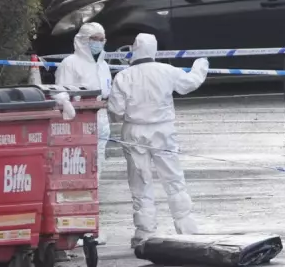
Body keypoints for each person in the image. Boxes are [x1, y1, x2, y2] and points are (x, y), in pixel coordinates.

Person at [107, 33, 209, 248]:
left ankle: (144, 232)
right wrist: (201, 64)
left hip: (134, 131)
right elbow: (191, 82)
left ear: (134, 50)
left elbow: (116, 111)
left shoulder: (124, 76)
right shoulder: (166, 71)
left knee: (140, 182)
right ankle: (187, 229)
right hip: (163, 130)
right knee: (173, 178)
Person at [54, 22, 112, 180]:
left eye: (102, 39)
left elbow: (107, 91)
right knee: (78, 161)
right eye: (95, 39)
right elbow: (60, 90)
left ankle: (94, 194)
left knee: (97, 161)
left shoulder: (103, 65)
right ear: (84, 39)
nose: (98, 43)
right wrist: (66, 104)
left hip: (101, 120)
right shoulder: (70, 63)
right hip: (78, 120)